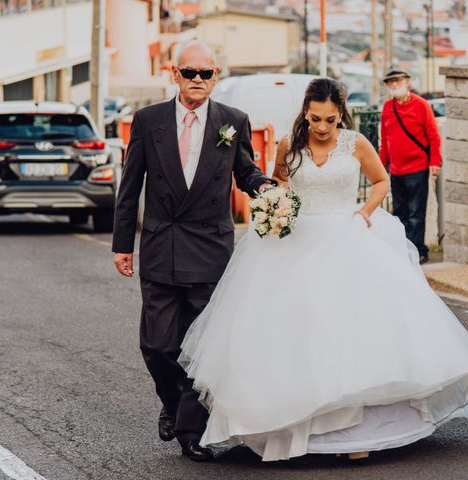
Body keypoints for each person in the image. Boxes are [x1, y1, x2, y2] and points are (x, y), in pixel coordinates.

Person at [178, 78, 468, 462]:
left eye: (329, 119)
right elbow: (278, 181)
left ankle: (357, 432)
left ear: (341, 114)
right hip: (297, 240)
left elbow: (380, 181)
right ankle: (298, 429)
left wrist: (365, 211)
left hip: (348, 236)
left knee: (353, 333)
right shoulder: (289, 144)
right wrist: (278, 206)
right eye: (314, 119)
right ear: (305, 112)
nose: (322, 127)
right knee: (295, 331)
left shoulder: (355, 142)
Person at [111, 41, 275, 462]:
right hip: (161, 246)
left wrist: (263, 187)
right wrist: (122, 245)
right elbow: (130, 188)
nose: (198, 81)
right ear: (175, 73)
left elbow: (245, 171)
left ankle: (189, 431)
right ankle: (171, 402)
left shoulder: (232, 121)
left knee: (203, 347)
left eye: (206, 74)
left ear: (216, 76)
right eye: (190, 73)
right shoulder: (148, 121)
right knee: (158, 346)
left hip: (209, 248)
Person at [379, 67, 441, 264]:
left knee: (416, 214)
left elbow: (433, 135)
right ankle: (404, 249)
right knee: (400, 214)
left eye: (398, 81)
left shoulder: (421, 105)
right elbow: (385, 140)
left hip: (417, 168)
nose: (395, 85)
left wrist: (434, 161)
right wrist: (381, 165)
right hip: (396, 170)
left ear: (407, 82)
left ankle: (418, 251)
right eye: (391, 82)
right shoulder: (388, 108)